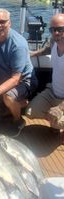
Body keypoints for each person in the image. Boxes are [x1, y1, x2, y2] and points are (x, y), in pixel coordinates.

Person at [0, 8, 38, 135]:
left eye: (2, 22)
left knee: (8, 97)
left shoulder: (18, 45)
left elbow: (16, 78)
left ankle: (18, 120)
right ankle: (17, 105)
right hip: (1, 76)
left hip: (23, 80)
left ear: (9, 23)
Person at [25, 13, 64, 144]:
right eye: (52, 30)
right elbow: (48, 49)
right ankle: (56, 123)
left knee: (58, 119)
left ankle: (58, 124)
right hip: (53, 91)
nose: (56, 33)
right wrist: (31, 54)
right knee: (30, 112)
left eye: (60, 29)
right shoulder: (54, 41)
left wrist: (60, 108)